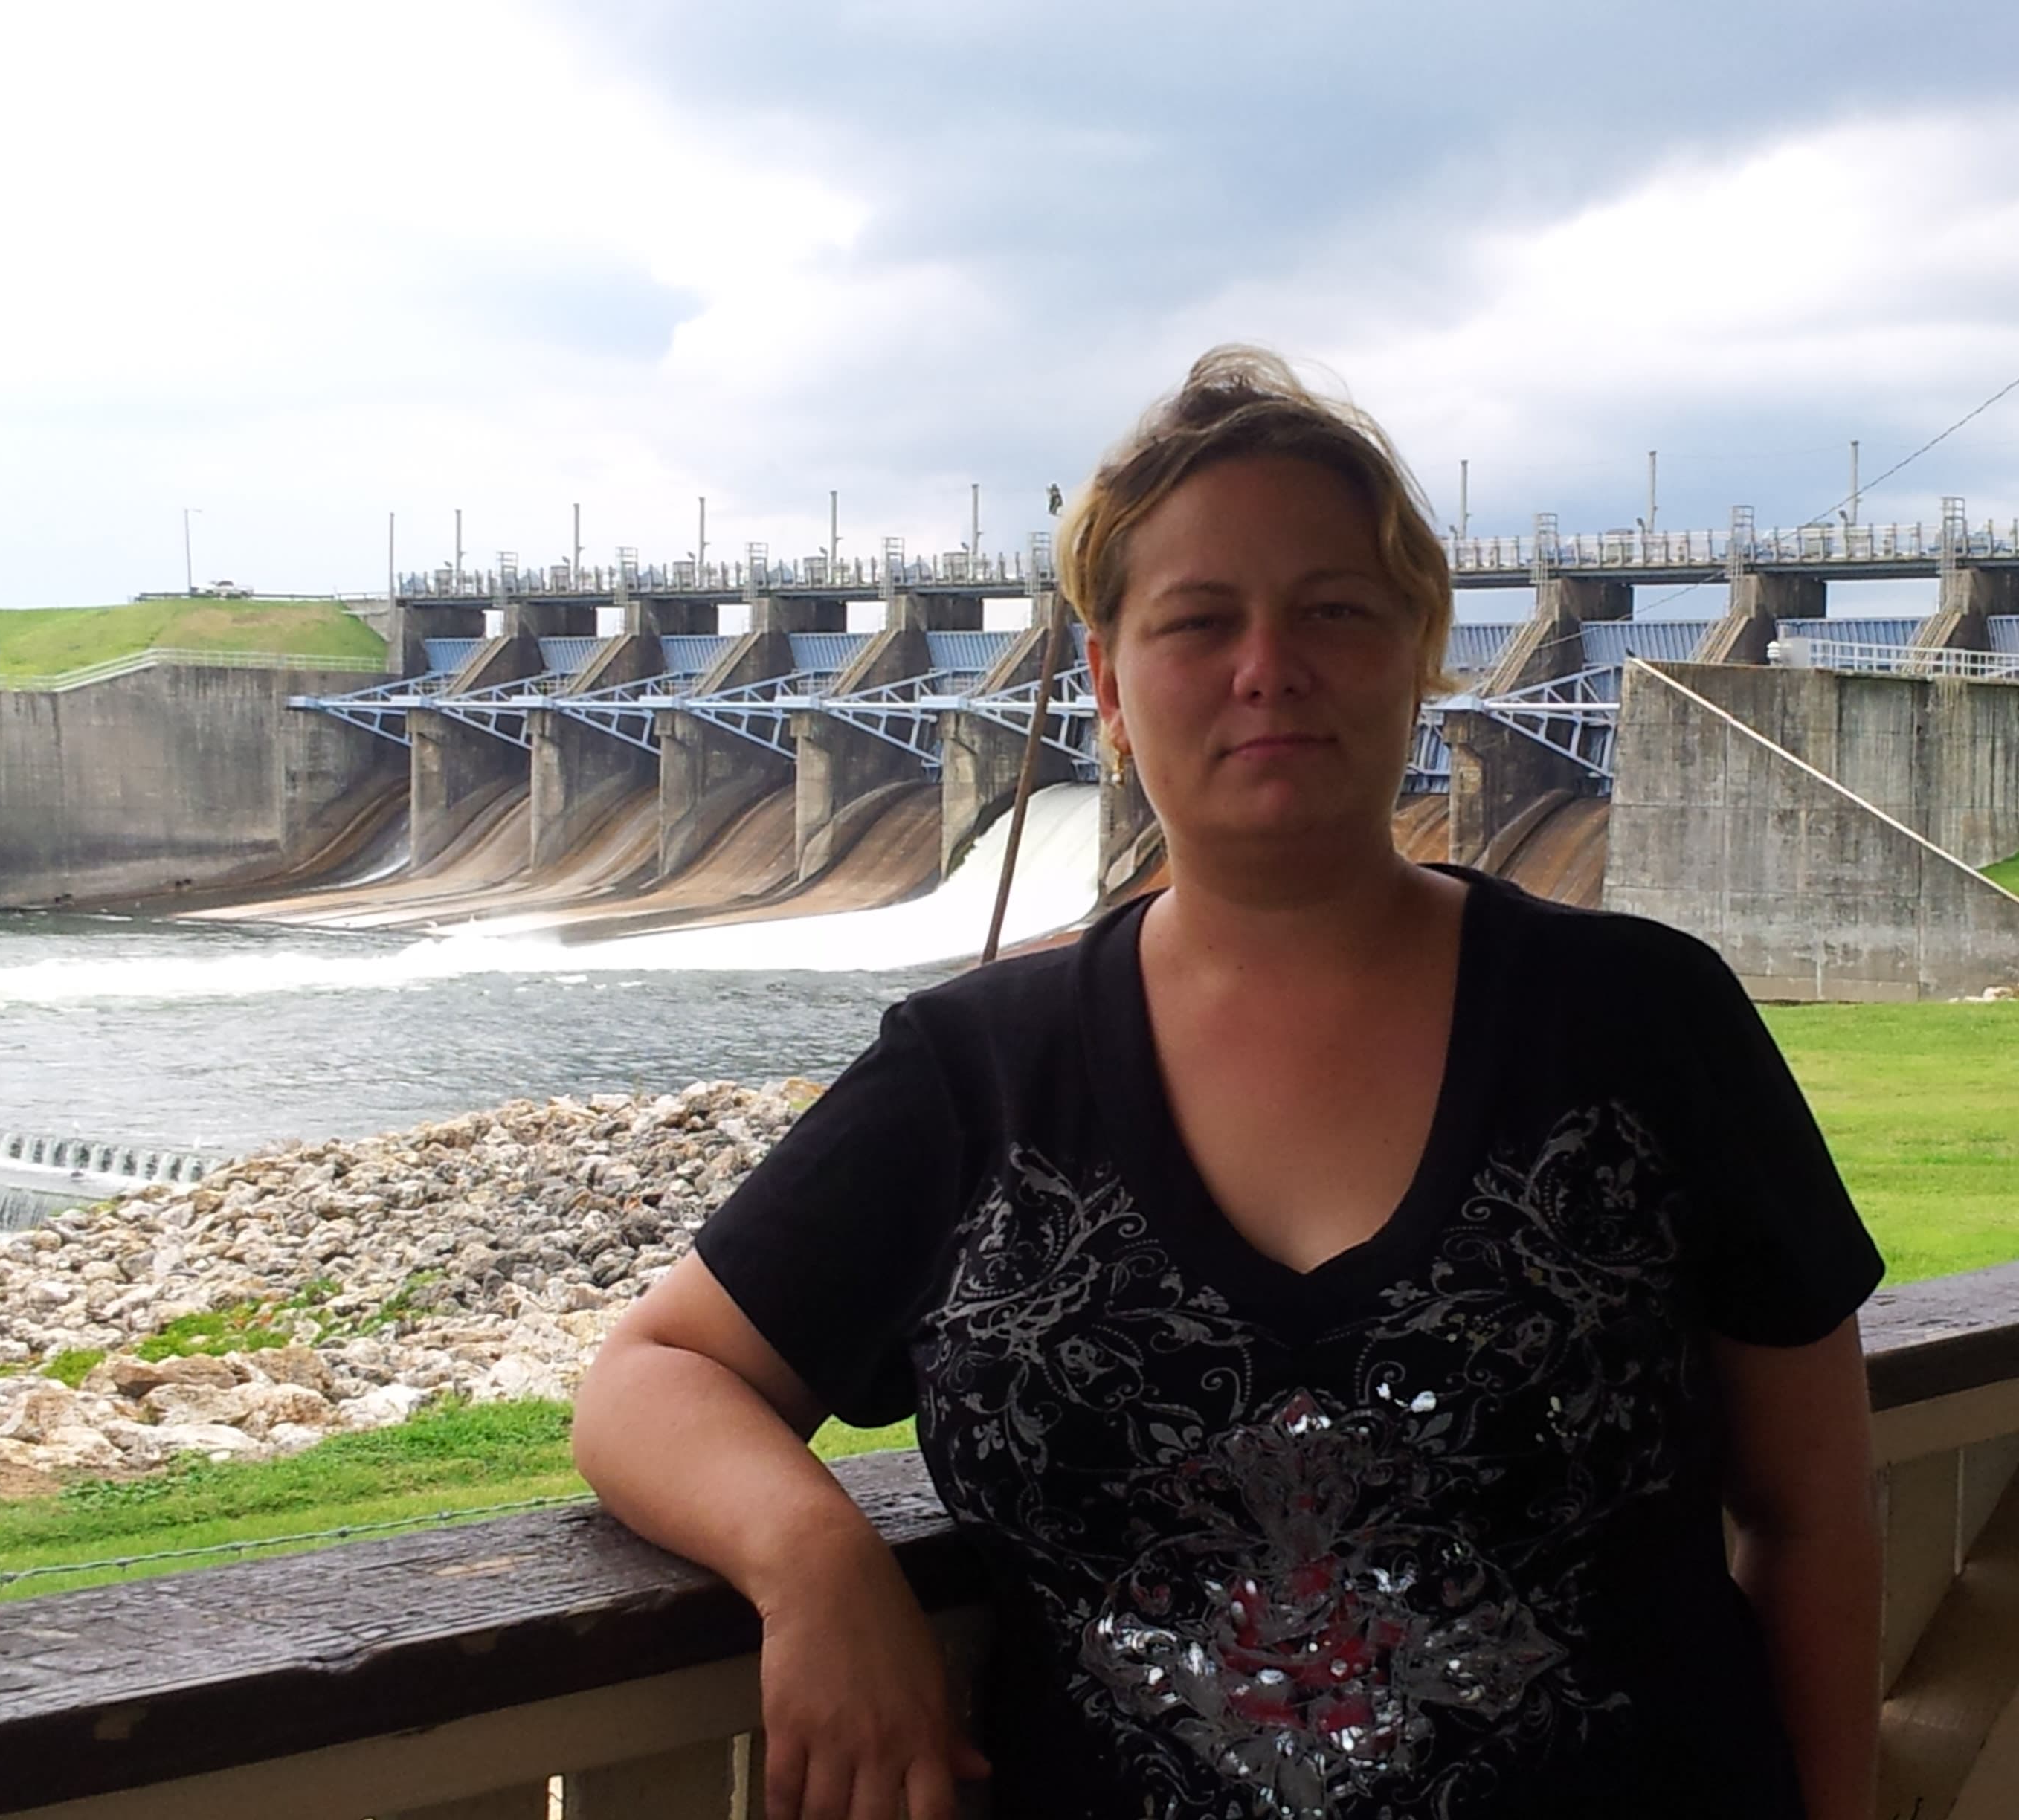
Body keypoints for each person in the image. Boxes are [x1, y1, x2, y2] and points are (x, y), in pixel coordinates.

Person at [573, 347, 1885, 1820]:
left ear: (1421, 649)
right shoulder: (977, 1076)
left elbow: (1813, 1517)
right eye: (1201, 621)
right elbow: (652, 1378)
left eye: (1335, 608)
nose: (1271, 667)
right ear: (1110, 687)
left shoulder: (1645, 1022)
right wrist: (813, 1560)